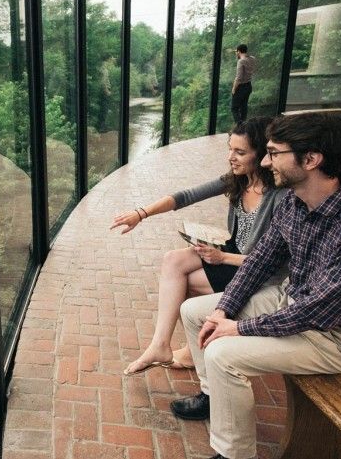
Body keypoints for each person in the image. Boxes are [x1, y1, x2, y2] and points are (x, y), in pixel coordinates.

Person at [172, 113, 341, 459]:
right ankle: (213, 397)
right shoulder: (295, 204)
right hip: (290, 303)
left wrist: (238, 328)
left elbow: (317, 313)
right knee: (195, 312)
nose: (266, 162)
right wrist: (223, 310)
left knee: (223, 354)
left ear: (311, 159)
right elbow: (260, 262)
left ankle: (233, 454)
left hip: (338, 338)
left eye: (273, 152)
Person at [111, 116, 287, 375]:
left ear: (262, 155)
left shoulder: (279, 196)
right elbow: (186, 196)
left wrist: (222, 258)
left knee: (186, 283)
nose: (231, 157)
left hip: (256, 270)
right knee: (173, 260)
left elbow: (275, 262)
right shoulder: (238, 180)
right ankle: (161, 344)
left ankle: (199, 346)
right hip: (232, 252)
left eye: (240, 152)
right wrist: (141, 213)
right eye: (230, 149)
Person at [231, 44, 255, 123]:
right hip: (248, 86)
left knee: (234, 108)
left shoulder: (241, 61)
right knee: (244, 107)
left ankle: (240, 127)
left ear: (239, 51)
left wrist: (234, 89)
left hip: (241, 87)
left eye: (236, 52)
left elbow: (239, 78)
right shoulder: (252, 59)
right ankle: (244, 126)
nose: (236, 53)